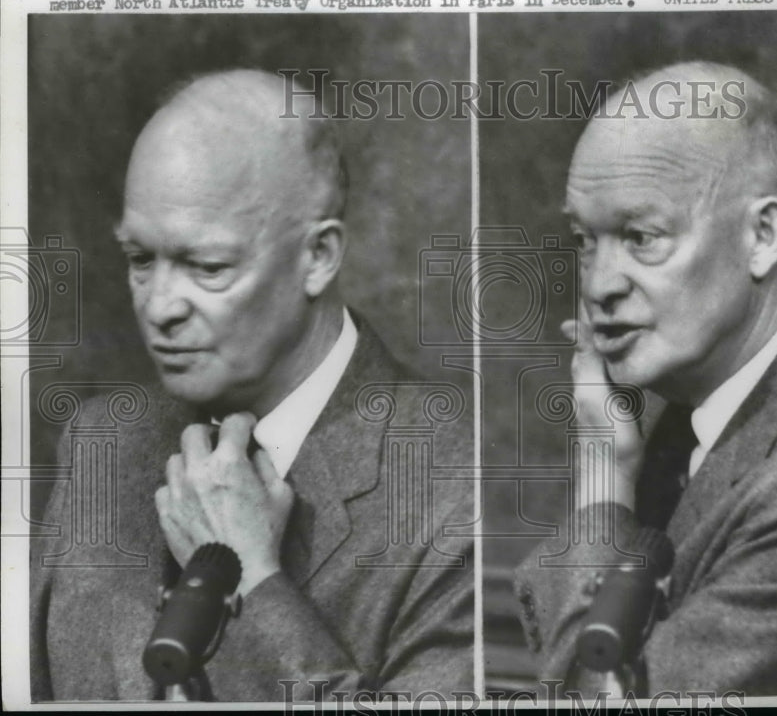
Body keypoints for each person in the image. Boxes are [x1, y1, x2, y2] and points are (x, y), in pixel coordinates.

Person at [30, 69, 473, 701]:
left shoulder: (459, 483)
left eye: (206, 267)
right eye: (139, 260)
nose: (158, 307)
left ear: (317, 257)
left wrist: (250, 578)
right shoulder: (102, 442)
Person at [514, 62, 777, 696]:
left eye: (640, 236)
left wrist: (602, 471)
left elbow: (596, 702)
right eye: (584, 239)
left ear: (762, 235)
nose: (598, 285)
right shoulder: (699, 416)